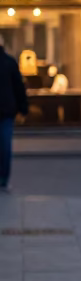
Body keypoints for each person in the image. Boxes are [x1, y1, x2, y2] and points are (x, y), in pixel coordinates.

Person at [0, 41, 29, 192]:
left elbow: (18, 86)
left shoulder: (8, 62)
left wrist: (23, 107)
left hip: (5, 112)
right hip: (7, 110)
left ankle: (3, 178)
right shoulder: (9, 62)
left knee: (5, 147)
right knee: (5, 146)